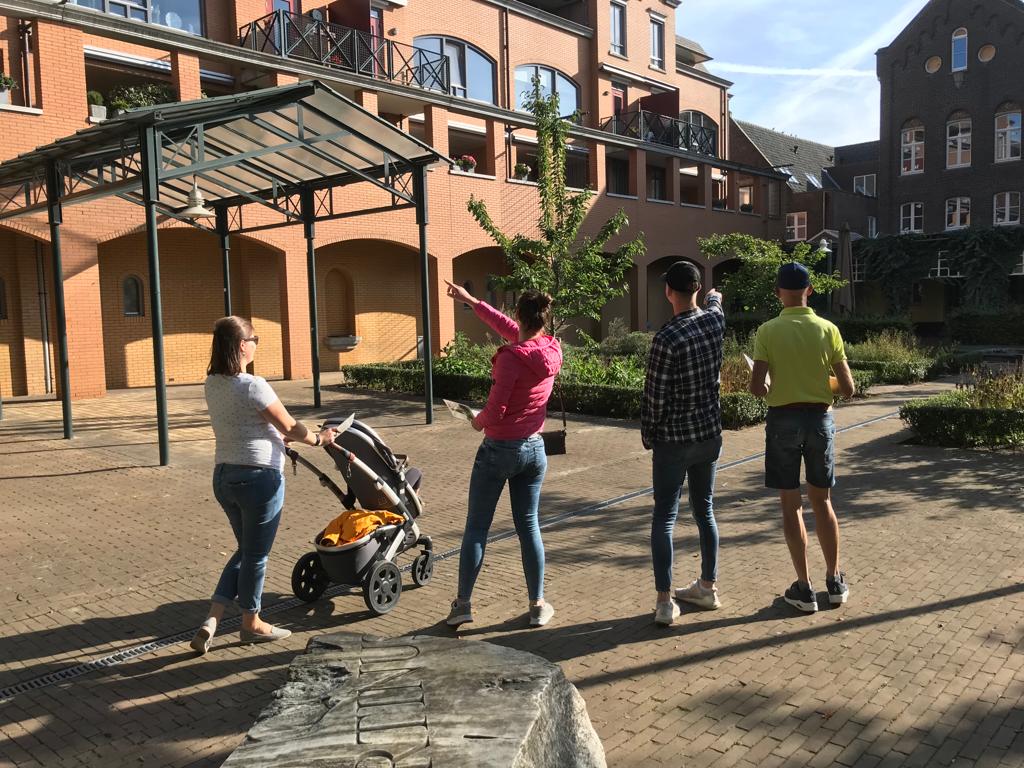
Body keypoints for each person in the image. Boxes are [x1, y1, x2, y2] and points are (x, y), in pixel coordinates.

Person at [189, 316, 337, 655]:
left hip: (224, 476)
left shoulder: (212, 383)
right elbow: (290, 426)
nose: (256, 345)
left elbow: (248, 425)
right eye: (254, 340)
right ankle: (251, 623)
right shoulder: (253, 385)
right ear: (242, 345)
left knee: (245, 550)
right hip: (258, 479)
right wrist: (320, 439)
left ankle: (212, 619)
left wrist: (275, 436)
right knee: (256, 555)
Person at [442, 280, 563, 628]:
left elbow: (496, 411)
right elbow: (509, 328)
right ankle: (537, 604)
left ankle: (463, 605)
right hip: (534, 449)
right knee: (529, 526)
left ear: (519, 315)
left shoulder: (511, 359)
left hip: (499, 450)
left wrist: (476, 421)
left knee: (477, 528)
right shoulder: (551, 349)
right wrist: (471, 300)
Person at [749, 263, 856, 613]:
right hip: (820, 420)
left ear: (778, 293)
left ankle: (804, 588)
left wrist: (775, 385)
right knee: (822, 501)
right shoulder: (828, 329)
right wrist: (819, 384)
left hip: (782, 420)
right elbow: (848, 388)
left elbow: (757, 388)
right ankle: (834, 580)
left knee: (790, 503)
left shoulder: (768, 331)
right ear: (810, 290)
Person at [642, 261, 726, 626]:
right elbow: (716, 305)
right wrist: (715, 296)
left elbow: (654, 397)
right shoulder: (714, 322)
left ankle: (664, 601)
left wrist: (649, 434)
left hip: (674, 440)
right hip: (708, 434)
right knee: (704, 509)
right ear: (697, 289)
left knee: (665, 517)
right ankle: (707, 586)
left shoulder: (666, 338)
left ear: (668, 292)